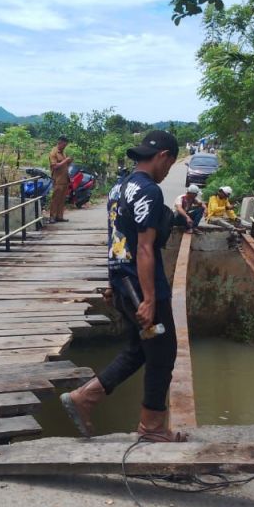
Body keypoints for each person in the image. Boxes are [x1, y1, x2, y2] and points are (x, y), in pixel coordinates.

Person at [61, 130, 184, 442]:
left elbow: (116, 239)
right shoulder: (150, 191)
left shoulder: (119, 188)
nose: (167, 171)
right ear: (163, 156)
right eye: (170, 164)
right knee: (163, 353)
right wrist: (150, 300)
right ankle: (152, 428)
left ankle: (85, 397)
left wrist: (113, 284)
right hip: (143, 288)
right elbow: (144, 248)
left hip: (124, 284)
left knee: (138, 349)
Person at [48, 136, 72, 223]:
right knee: (55, 199)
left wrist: (69, 161)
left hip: (64, 179)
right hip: (57, 180)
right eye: (64, 145)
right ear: (59, 143)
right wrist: (65, 161)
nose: (65, 147)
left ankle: (59, 216)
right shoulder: (53, 153)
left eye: (66, 145)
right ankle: (52, 217)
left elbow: (64, 165)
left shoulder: (63, 152)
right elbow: (54, 166)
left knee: (62, 199)